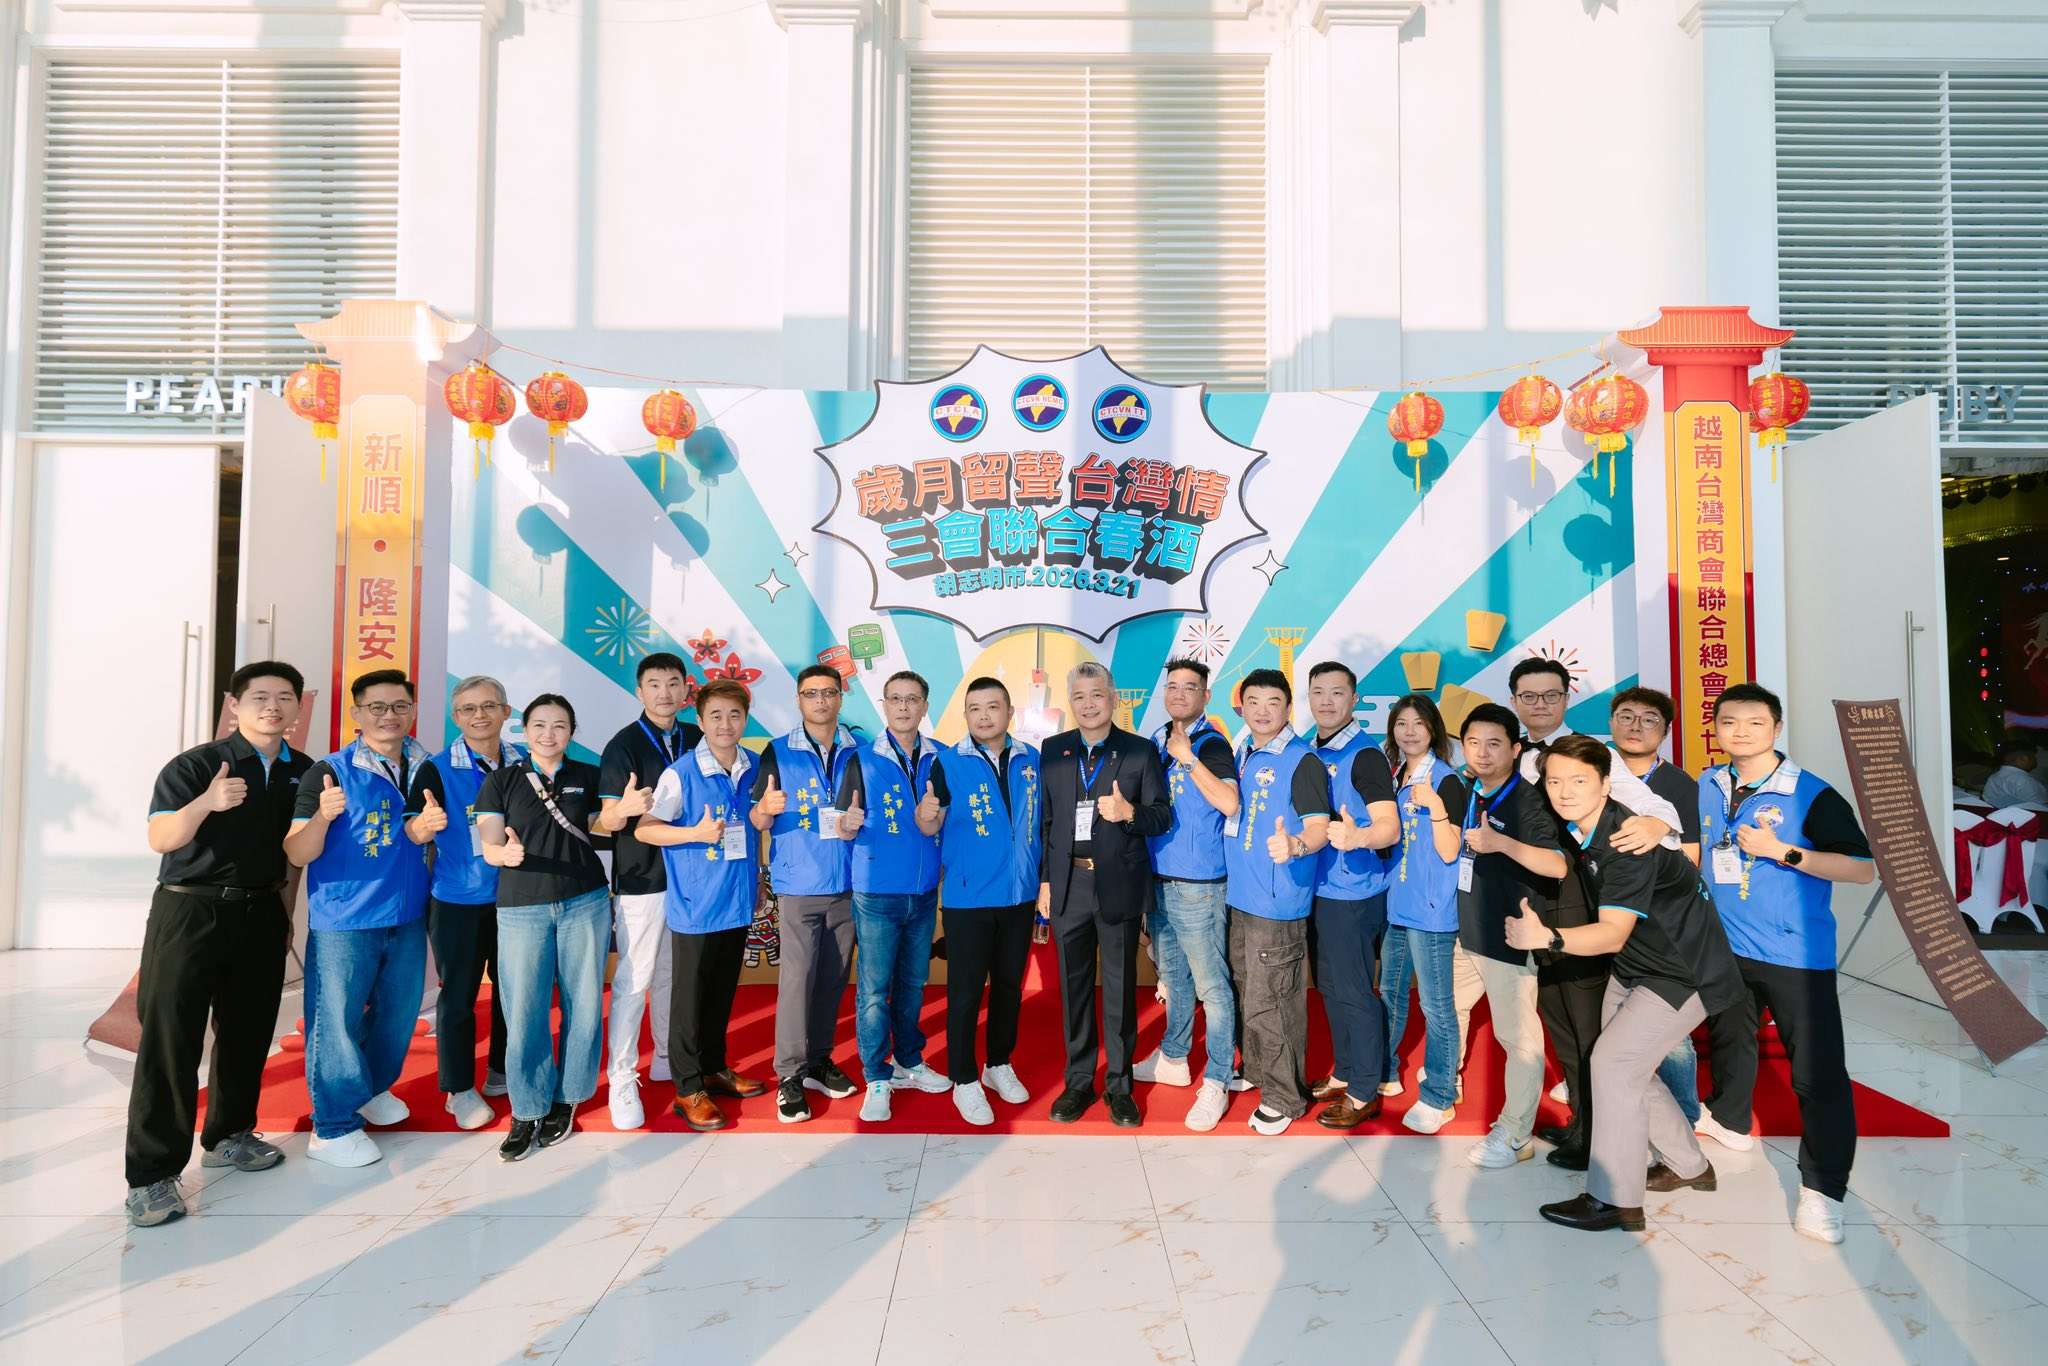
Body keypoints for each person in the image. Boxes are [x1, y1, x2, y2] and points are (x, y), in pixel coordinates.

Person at [1511, 736, 1745, 1233]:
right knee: (1626, 1066)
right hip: (1636, 966)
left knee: (1614, 1065)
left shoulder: (1627, 842)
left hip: (1683, 972)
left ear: (1605, 784)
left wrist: (1547, 937)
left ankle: (1614, 1199)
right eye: (1554, 781)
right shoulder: (1585, 827)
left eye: (1579, 780)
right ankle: (1689, 1166)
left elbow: (1612, 932)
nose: (1565, 791)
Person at [125, 661, 313, 1227]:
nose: (273, 707)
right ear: (234, 704)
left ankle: (230, 1133)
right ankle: (152, 1175)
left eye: (285, 697)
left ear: (297, 706)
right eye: (260, 697)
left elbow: (296, 853)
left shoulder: (303, 771)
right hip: (189, 909)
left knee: (248, 1030)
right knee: (172, 1039)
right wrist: (206, 802)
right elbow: (161, 836)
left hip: (261, 911)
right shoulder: (196, 766)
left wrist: (284, 918)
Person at [1696, 682, 1875, 1244]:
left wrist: (1782, 852)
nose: (1741, 732)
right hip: (1728, 945)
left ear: (1776, 728)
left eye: (1755, 722)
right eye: (1729, 722)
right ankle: (1728, 1120)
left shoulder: (1811, 794)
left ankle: (1823, 1190)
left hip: (1794, 952)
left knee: (1817, 1074)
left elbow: (1862, 869)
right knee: (1731, 1036)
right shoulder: (1710, 782)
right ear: (1716, 729)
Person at [1508, 657, 1682, 1162]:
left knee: (1589, 1027)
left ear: (1567, 698)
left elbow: (1658, 809)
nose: (1540, 705)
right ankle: (1582, 1123)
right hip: (1538, 905)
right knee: (1560, 1022)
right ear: (1514, 701)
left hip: (1582, 905)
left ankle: (1600, 1141)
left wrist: (1655, 827)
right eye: (1529, 696)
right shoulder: (1513, 753)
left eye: (1551, 695)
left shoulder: (1593, 754)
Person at [284, 669, 433, 1169]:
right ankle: (332, 1126)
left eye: (399, 706)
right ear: (356, 714)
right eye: (377, 707)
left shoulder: (424, 765)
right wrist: (323, 815)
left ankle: (369, 1090)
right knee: (337, 1022)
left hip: (407, 913)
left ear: (413, 710)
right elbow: (297, 851)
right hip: (345, 918)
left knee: (398, 1014)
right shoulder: (328, 772)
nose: (390, 716)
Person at [475, 694, 631, 1160]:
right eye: (539, 725)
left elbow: (603, 824)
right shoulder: (501, 780)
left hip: (585, 902)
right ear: (524, 730)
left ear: (572, 731)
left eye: (559, 725)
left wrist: (620, 812)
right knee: (524, 1010)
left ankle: (569, 1097)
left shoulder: (589, 774)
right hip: (521, 908)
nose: (549, 734)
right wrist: (502, 854)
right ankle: (527, 1108)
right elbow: (488, 841)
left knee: (584, 1004)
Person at [1037, 662, 1173, 1127]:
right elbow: (1048, 823)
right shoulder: (1054, 750)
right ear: (1070, 702)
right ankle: (1078, 1082)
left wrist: (1129, 812)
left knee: (1118, 988)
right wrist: (1046, 881)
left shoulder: (1139, 751)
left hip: (1117, 886)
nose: (1089, 704)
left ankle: (1119, 1086)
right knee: (1073, 988)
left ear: (1113, 698)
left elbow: (1162, 816)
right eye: (1079, 696)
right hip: (1068, 886)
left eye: (1097, 694)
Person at [635, 680, 768, 1131]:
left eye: (734, 715)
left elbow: (753, 827)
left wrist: (759, 878)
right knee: (689, 1001)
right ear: (700, 720)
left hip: (737, 898)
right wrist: (694, 833)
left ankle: (714, 1069)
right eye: (716, 715)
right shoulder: (680, 773)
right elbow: (646, 829)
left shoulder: (753, 766)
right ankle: (688, 1088)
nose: (725, 724)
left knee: (721, 992)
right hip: (696, 902)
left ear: (745, 719)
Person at [916, 676, 1042, 1126]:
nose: (984, 716)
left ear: (1009, 712)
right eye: (975, 708)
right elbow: (930, 823)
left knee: (1008, 987)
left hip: (1020, 895)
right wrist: (926, 816)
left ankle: (998, 1064)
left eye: (993, 707)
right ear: (965, 715)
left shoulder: (1031, 759)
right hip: (968, 899)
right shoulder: (947, 762)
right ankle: (965, 1079)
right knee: (966, 992)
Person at [1451, 703, 1569, 1170]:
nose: (1482, 752)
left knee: (1518, 1039)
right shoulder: (1470, 790)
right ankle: (1444, 1082)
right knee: (1448, 1011)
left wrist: (1501, 843)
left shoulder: (1528, 801)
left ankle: (1517, 1133)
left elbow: (1557, 865)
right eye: (1473, 743)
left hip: (1508, 937)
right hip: (1467, 931)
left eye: (1494, 744)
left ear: (1516, 750)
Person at [404, 675, 523, 1130]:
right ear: (456, 717)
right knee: (458, 997)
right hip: (458, 900)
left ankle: (500, 1070)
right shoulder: (435, 769)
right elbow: (413, 829)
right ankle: (458, 1089)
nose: (479, 716)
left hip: (516, 898)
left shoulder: (524, 760)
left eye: (489, 706)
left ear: (506, 712)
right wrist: (425, 825)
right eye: (469, 709)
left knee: (513, 992)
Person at [750, 663, 864, 1124]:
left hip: (849, 883)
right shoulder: (778, 752)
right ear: (798, 699)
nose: (821, 700)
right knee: (797, 981)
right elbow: (759, 818)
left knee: (833, 978)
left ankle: (818, 1060)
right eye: (811, 693)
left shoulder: (860, 751)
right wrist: (764, 809)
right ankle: (790, 1075)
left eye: (828, 692)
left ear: (840, 697)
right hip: (799, 884)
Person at [595, 652, 705, 1130]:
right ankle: (621, 1077)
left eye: (673, 683)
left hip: (692, 876)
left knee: (672, 976)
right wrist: (623, 809)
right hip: (642, 879)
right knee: (634, 980)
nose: (664, 692)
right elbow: (606, 819)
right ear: (639, 692)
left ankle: (665, 1055)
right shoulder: (622, 746)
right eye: (654, 684)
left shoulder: (697, 738)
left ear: (686, 690)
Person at [1225, 669, 1333, 1135]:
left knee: (1274, 1001)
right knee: (1247, 990)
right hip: (1241, 897)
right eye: (1253, 701)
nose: (1262, 710)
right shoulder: (1244, 752)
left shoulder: (1301, 760)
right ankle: (1257, 1070)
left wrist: (1296, 846)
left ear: (1289, 708)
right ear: (1242, 707)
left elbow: (1319, 826)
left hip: (1277, 902)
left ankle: (1285, 1096)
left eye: (1273, 702)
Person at [1137, 657, 1244, 1131]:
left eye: (1189, 687)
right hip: (1159, 881)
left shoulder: (1211, 743)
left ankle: (1218, 1078)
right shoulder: (1157, 739)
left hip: (1199, 886)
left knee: (1212, 988)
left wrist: (1189, 758)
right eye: (1172, 686)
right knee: (1174, 979)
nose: (1179, 694)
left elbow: (1229, 802)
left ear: (1205, 696)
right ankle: (1174, 1057)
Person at [845, 671, 951, 1123]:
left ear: (925, 706)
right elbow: (840, 819)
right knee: (874, 991)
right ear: (884, 705)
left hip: (924, 892)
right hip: (876, 893)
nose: (904, 707)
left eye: (912, 699)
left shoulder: (942, 757)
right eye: (895, 699)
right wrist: (846, 823)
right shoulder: (860, 759)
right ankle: (876, 1075)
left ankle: (909, 1060)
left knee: (912, 983)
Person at [1301, 661, 1401, 1129]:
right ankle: (1345, 1071)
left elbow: (1389, 826)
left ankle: (1364, 1091)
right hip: (1318, 889)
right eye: (1318, 692)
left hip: (1353, 893)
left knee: (1355, 991)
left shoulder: (1365, 756)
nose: (1326, 701)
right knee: (1330, 987)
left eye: (1337, 692)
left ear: (1354, 699)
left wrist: (1358, 837)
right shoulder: (1310, 749)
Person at [1609, 686, 1709, 1127]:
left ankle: (1683, 1117)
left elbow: (1690, 858)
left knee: (1666, 1031)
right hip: (1606, 914)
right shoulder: (1594, 772)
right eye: (1626, 716)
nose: (1636, 726)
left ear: (1665, 731)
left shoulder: (1679, 785)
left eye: (1649, 719)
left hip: (1661, 921)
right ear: (1611, 723)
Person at [1374, 693, 1469, 1134]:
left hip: (1431, 911)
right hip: (1398, 904)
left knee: (1436, 1006)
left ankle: (1440, 1095)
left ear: (1434, 730)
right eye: (1401, 723)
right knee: (1390, 993)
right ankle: (1387, 1071)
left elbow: (1450, 851)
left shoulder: (1447, 781)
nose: (1409, 732)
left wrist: (1435, 806)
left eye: (1418, 723)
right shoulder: (1396, 775)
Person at [1982, 740, 2048, 808]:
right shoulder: (2025, 781)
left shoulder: (1993, 777)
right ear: (2024, 759)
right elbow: (2041, 808)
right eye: (2034, 758)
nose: (2036, 761)